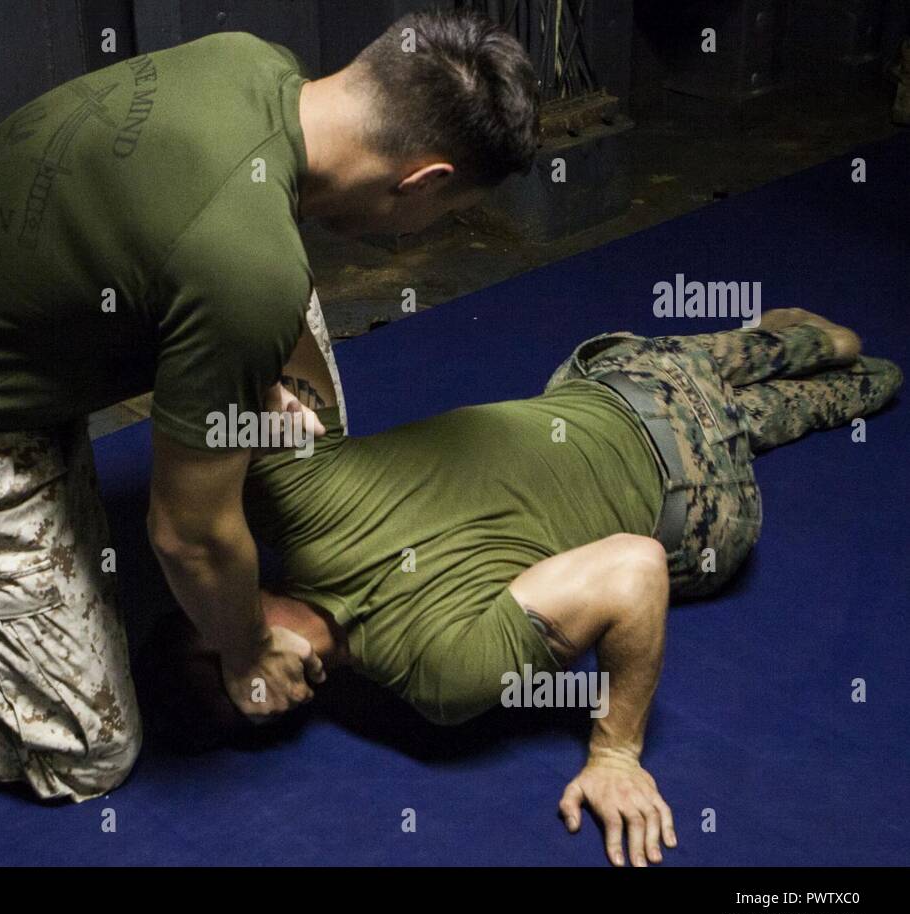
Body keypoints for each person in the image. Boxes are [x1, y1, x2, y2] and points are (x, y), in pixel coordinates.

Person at [0, 12, 540, 812]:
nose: (424, 233)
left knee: (267, 310)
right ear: (424, 180)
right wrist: (244, 653)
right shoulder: (245, 265)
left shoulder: (253, 64)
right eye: (445, 213)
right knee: (87, 752)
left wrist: (237, 365)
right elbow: (185, 537)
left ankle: (229, 426)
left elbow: (151, 237)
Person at [152, 309, 903, 867]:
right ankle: (779, 363)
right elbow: (635, 566)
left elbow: (271, 304)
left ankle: (783, 343)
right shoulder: (436, 669)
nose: (260, 696)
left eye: (224, 672)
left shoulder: (288, 490)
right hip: (698, 494)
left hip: (628, 391)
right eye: (244, 713)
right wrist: (615, 753)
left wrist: (243, 408)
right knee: (869, 382)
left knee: (833, 344)